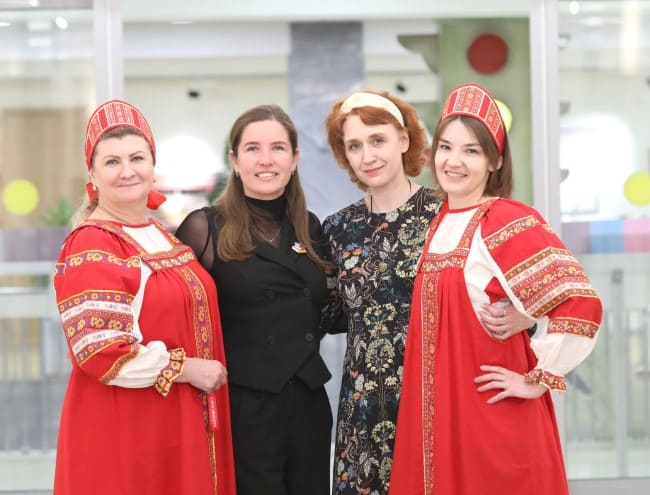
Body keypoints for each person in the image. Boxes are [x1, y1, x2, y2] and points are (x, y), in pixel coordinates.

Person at [388, 83, 603, 494]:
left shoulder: (505, 219)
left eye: (471, 150)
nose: (454, 161)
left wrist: (535, 379)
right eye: (446, 147)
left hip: (490, 421)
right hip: (439, 419)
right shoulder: (437, 222)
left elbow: (581, 304)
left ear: (495, 160)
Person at [321, 88, 534, 495]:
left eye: (378, 140)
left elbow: (516, 287)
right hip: (364, 407)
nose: (368, 155)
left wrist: (526, 314)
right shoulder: (336, 229)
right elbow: (327, 314)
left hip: (440, 396)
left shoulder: (449, 212)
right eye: (354, 146)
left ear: (404, 140)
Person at [53, 99, 236, 495]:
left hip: (176, 422)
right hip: (128, 429)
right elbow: (100, 351)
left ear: (153, 166)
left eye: (137, 158)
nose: (127, 171)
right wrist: (189, 369)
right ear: (92, 174)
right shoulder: (92, 243)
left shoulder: (161, 234)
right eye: (112, 161)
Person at [175, 104, 333, 495]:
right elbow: (173, 313)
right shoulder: (204, 228)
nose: (266, 160)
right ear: (234, 160)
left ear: (294, 159)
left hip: (308, 404)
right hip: (242, 407)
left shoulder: (310, 227)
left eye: (278, 148)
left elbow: (329, 309)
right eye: (253, 149)